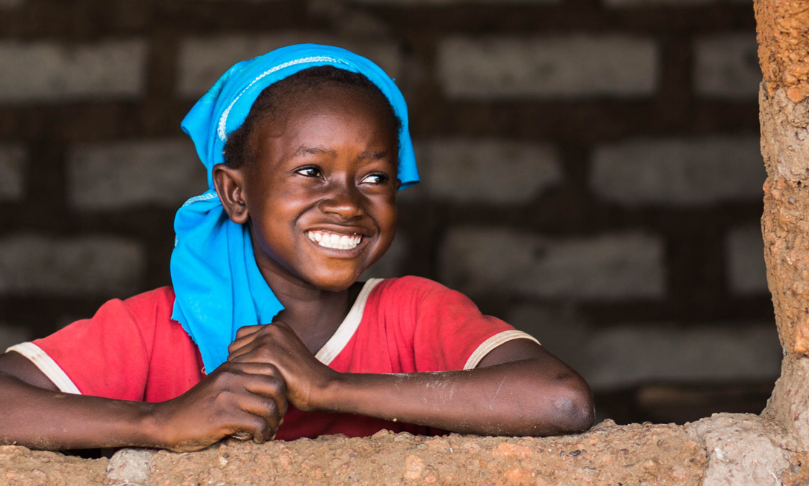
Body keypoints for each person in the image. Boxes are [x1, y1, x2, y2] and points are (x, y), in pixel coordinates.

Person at [0, 45, 594, 451]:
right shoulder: (156, 329)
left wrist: (328, 386)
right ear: (235, 193)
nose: (347, 203)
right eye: (310, 172)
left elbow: (560, 401)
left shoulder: (414, 313)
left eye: (375, 178)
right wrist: (159, 420)